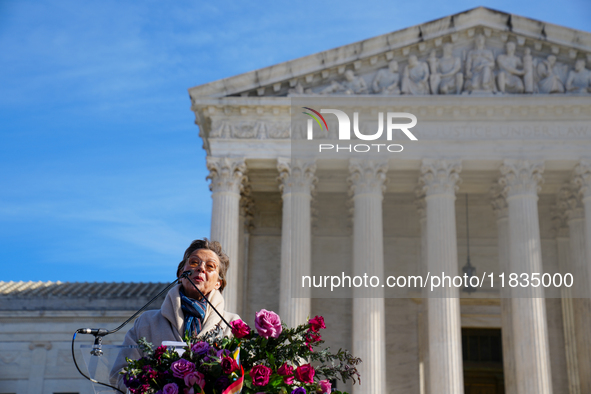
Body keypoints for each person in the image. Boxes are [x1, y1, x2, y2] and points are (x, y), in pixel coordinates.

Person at [110, 239, 240, 390]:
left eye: (210, 266)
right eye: (193, 262)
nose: (200, 268)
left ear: (218, 282)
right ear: (180, 274)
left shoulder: (232, 324)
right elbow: (119, 374)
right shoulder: (147, 322)